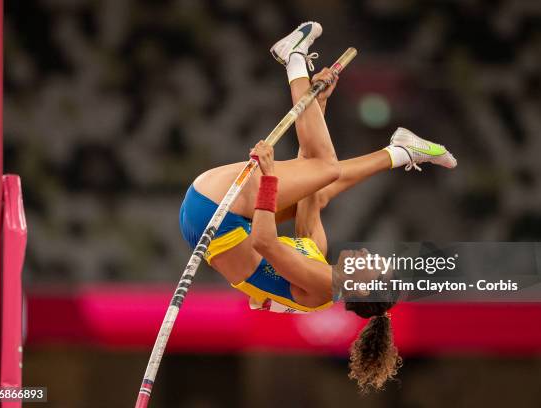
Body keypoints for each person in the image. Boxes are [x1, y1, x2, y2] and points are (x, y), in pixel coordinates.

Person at [179, 22, 457, 390]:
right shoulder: (318, 255)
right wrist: (317, 102)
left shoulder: (323, 285)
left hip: (215, 213)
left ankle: (293, 56)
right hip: (211, 218)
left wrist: (270, 176)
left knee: (326, 168)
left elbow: (265, 242)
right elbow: (311, 190)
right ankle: (400, 150)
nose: (367, 255)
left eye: (372, 266)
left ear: (361, 286)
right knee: (321, 182)